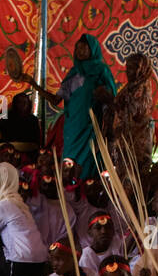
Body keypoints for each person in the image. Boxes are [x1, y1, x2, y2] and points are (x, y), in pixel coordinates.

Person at [19, 34, 117, 178]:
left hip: (91, 126)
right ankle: (70, 193)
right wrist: (33, 84)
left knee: (89, 160)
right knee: (69, 162)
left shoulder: (102, 71)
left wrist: (102, 95)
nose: (79, 51)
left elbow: (112, 98)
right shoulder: (73, 73)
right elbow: (55, 100)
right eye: (77, 48)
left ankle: (86, 194)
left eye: (84, 48)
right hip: (72, 127)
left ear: (93, 49)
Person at [0, 92, 41, 159]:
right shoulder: (6, 117)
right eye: (20, 102)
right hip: (8, 152)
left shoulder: (33, 119)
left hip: (29, 153)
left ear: (29, 104)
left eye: (25, 102)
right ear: (15, 104)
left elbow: (37, 140)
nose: (23, 104)